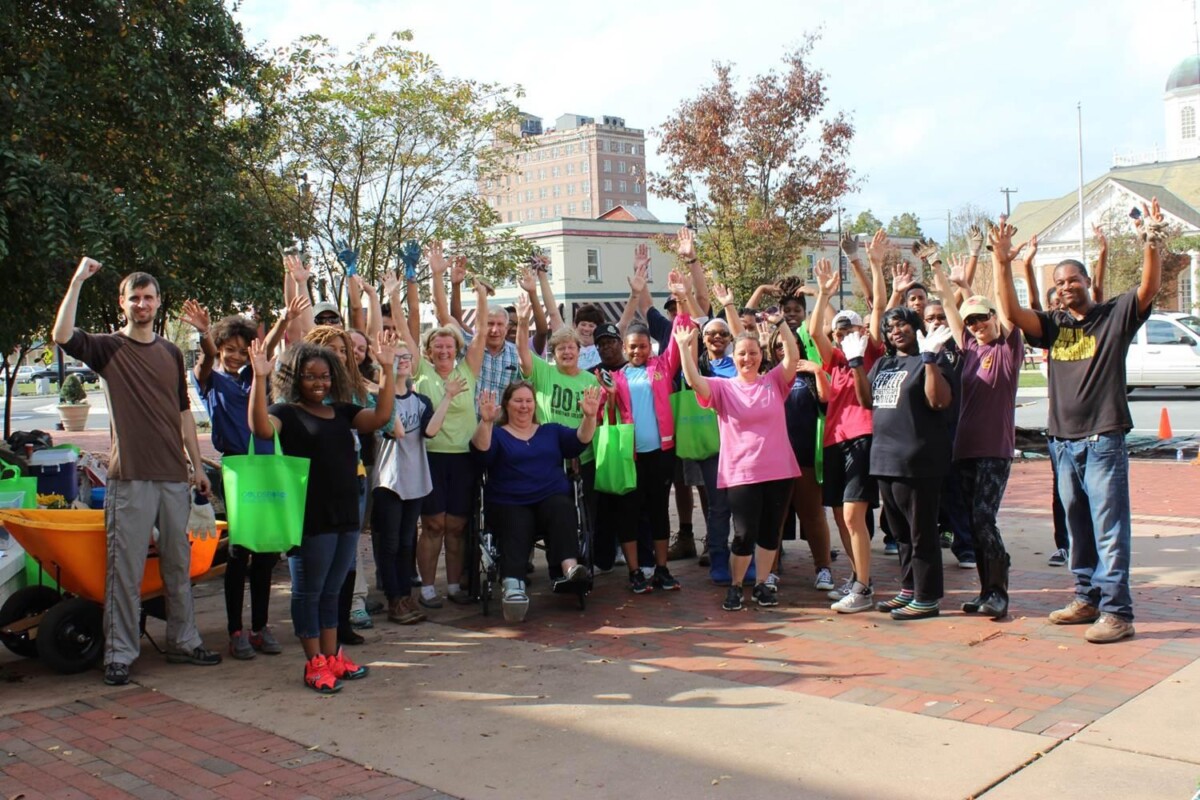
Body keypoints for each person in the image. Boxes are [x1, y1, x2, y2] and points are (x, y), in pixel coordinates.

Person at [993, 201, 1163, 644]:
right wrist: (1001, 260)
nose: (1066, 288)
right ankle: (1085, 597)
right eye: (1060, 282)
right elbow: (1011, 313)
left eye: (1073, 280)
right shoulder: (1053, 325)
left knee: (1110, 527)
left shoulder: (1114, 317)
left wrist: (1151, 241)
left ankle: (1117, 612)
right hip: (1063, 443)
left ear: (1089, 283)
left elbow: (1148, 287)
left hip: (1103, 439)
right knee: (1077, 525)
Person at [53, 259, 221, 686]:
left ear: (158, 303)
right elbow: (61, 336)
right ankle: (119, 654)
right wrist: (77, 282)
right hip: (129, 477)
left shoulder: (169, 352)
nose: (142, 304)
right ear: (123, 303)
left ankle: (185, 642)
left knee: (177, 569)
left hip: (173, 477)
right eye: (135, 298)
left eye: (149, 298)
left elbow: (183, 411)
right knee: (124, 572)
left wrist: (196, 468)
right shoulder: (108, 348)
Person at [248, 333, 395, 693]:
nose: (319, 383)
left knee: (332, 590)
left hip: (346, 512)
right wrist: (259, 377)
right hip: (309, 517)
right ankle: (313, 662)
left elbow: (380, 416)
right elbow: (261, 429)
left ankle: (332, 656)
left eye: (325, 376)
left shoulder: (342, 411)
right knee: (308, 592)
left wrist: (389, 369)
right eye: (311, 376)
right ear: (295, 378)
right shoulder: (285, 412)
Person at [180, 297, 306, 660]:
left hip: (269, 467)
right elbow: (204, 359)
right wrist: (205, 333)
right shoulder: (209, 380)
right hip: (237, 470)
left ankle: (260, 626)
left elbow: (262, 350)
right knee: (240, 552)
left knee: (266, 553)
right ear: (219, 348)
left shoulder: (255, 376)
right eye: (228, 349)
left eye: (240, 350)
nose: (235, 356)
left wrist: (283, 320)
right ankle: (235, 630)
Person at [675, 317, 802, 612]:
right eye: (742, 353)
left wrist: (781, 325)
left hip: (779, 470)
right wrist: (684, 347)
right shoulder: (723, 388)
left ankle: (761, 584)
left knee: (771, 532)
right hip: (741, 472)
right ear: (734, 358)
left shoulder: (774, 382)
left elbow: (793, 357)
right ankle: (735, 586)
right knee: (744, 534)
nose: (748, 358)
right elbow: (694, 380)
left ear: (762, 356)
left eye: (753, 353)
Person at [847, 304, 956, 620]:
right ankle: (909, 588)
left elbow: (939, 401)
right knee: (901, 533)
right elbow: (866, 400)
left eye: (902, 324)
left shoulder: (931, 357)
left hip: (918, 460)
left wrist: (931, 360)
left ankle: (927, 596)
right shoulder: (884, 362)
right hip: (884, 458)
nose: (896, 330)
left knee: (922, 532)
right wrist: (855, 364)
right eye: (890, 327)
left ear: (916, 326)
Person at [930, 265, 1022, 619]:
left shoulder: (1008, 347)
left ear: (994, 317)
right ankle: (986, 593)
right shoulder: (968, 347)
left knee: (984, 517)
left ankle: (999, 591)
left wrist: (1002, 262)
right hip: (964, 449)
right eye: (971, 322)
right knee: (971, 521)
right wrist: (942, 275)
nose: (977, 325)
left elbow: (1007, 306)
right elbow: (951, 310)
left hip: (994, 451)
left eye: (982, 318)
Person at [397, 253, 488, 608]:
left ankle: (453, 586)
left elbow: (481, 331)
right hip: (430, 458)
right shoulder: (421, 371)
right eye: (438, 346)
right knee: (433, 523)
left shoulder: (468, 370)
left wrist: (480, 295)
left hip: (464, 458)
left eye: (449, 346)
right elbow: (408, 328)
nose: (444, 350)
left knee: (457, 525)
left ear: (457, 349)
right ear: (430, 351)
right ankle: (428, 588)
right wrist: (417, 280)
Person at [471, 383, 603, 621]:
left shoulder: (550, 431)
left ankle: (569, 569)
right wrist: (487, 422)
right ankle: (512, 585)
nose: (524, 406)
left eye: (528, 401)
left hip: (549, 498)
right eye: (518, 401)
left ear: (535, 404)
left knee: (562, 506)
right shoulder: (498, 434)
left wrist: (590, 416)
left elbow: (579, 440)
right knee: (517, 519)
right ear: (507, 405)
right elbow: (481, 451)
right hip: (509, 501)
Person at [810, 233, 888, 613]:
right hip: (833, 441)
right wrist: (823, 295)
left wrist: (866, 263)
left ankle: (863, 587)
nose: (843, 335)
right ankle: (860, 578)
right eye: (838, 331)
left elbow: (877, 307)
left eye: (849, 329)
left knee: (854, 513)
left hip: (861, 438)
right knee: (842, 515)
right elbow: (813, 333)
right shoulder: (835, 360)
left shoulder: (868, 353)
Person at [603, 276, 691, 594]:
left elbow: (681, 330)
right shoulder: (616, 377)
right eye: (632, 347)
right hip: (630, 456)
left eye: (642, 346)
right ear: (624, 349)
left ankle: (662, 569)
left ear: (649, 346)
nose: (637, 351)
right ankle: (635, 571)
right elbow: (606, 414)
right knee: (629, 512)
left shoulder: (662, 367)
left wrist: (680, 299)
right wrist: (609, 395)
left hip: (661, 454)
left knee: (658, 511)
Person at [371, 328, 462, 625]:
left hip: (415, 478)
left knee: (408, 542)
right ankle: (394, 599)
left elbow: (431, 430)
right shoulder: (380, 401)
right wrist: (384, 382)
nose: (404, 362)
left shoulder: (422, 401)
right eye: (396, 358)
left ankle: (405, 597)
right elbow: (395, 430)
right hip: (389, 481)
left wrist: (447, 397)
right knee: (391, 543)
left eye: (406, 357)